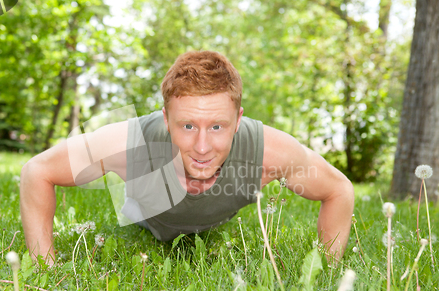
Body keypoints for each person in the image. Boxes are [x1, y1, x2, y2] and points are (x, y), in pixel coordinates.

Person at [20, 50, 354, 266]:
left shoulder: (271, 152)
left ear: (238, 120)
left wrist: (328, 268)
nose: (202, 145)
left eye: (218, 126)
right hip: (146, 217)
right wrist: (43, 266)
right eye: (188, 125)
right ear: (166, 118)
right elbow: (38, 170)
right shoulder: (128, 141)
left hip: (214, 221)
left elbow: (339, 190)